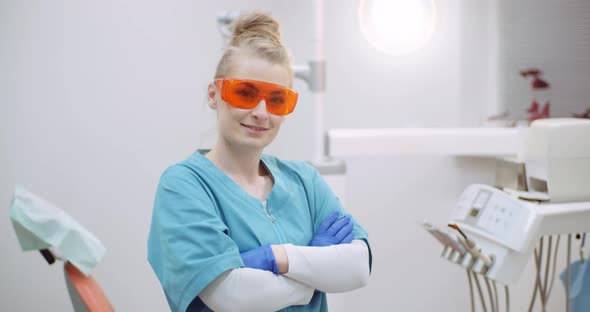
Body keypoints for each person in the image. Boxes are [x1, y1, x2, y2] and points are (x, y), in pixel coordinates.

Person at [147, 11, 372, 312]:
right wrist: (315, 271)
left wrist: (276, 256)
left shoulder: (306, 181)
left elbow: (357, 267)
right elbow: (231, 296)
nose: (262, 112)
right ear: (214, 95)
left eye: (277, 99)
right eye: (245, 93)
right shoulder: (184, 186)